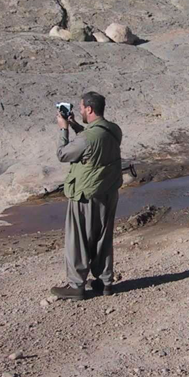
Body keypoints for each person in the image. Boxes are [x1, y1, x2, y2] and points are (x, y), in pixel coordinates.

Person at [51, 91, 123, 300]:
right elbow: (93, 139)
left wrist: (64, 129)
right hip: (108, 192)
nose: (79, 110)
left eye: (81, 108)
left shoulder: (87, 138)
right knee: (103, 238)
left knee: (78, 239)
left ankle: (76, 286)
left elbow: (63, 154)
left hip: (86, 194)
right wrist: (75, 125)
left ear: (89, 109)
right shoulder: (113, 130)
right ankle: (105, 282)